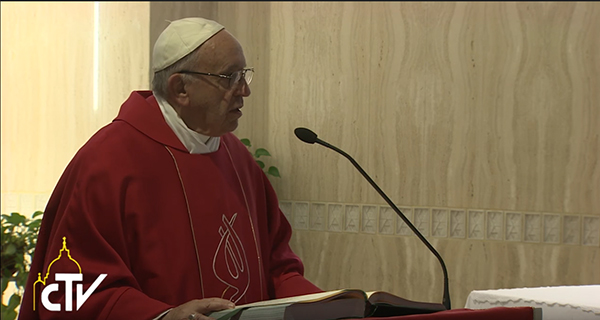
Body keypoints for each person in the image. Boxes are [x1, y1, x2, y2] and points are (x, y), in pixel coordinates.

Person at [19, 17, 322, 320]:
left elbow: (277, 268)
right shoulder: (108, 162)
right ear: (180, 89)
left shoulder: (238, 159)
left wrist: (330, 306)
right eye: (229, 77)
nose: (244, 91)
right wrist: (162, 316)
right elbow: (68, 291)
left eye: (244, 75)